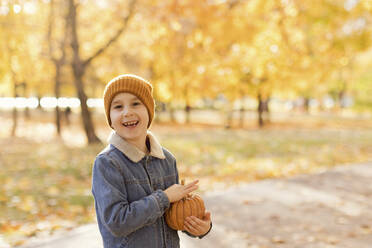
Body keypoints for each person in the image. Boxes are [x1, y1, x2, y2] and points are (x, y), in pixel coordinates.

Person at [91, 74, 212, 248]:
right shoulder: (107, 163)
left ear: (149, 110)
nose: (127, 112)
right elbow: (116, 221)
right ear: (110, 117)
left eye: (135, 103)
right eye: (118, 106)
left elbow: (173, 217)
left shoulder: (166, 159)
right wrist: (164, 197)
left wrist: (199, 228)